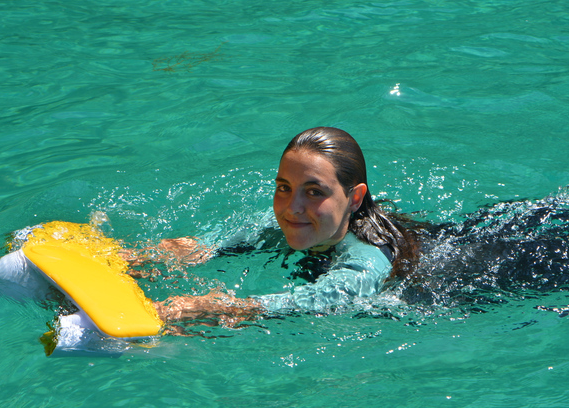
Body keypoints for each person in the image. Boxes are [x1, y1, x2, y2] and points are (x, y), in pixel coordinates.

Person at [151, 126, 422, 325]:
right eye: (284, 187)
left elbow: (322, 299)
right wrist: (148, 258)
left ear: (355, 198)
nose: (292, 207)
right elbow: (208, 247)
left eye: (314, 192)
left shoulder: (368, 259)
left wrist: (227, 308)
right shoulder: (291, 223)